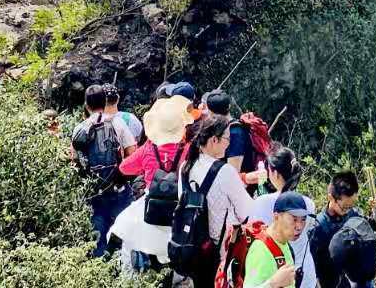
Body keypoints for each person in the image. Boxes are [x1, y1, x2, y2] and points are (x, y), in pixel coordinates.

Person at [109, 93, 191, 274]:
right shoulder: (189, 150)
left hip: (150, 206)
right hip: (181, 208)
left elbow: (124, 168)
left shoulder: (149, 148)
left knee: (122, 229)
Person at [176, 113, 255, 285]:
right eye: (227, 139)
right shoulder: (224, 171)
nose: (229, 143)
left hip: (188, 245)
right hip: (214, 253)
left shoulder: (185, 166)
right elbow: (246, 212)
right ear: (214, 140)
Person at [73, 84, 139, 259]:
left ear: (87, 105)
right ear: (105, 102)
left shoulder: (80, 129)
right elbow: (132, 153)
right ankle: (122, 268)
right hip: (119, 190)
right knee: (123, 233)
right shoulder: (118, 123)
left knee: (97, 237)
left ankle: (100, 272)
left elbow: (75, 159)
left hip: (93, 193)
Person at [247, 147, 317, 285]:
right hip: (305, 274)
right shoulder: (309, 203)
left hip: (276, 274)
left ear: (275, 174)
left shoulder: (262, 202)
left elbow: (252, 235)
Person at [307, 173, 376, 287]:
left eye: (350, 206)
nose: (347, 211)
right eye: (344, 207)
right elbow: (312, 269)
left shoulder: (354, 214)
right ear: (331, 198)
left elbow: (372, 227)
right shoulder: (318, 227)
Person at [242, 192, 313, 288]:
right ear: (276, 217)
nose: (299, 227)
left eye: (303, 219)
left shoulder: (284, 241)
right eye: (294, 219)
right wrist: (273, 284)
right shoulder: (261, 250)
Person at [203, 89, 267, 183]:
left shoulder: (235, 132)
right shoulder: (225, 128)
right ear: (229, 106)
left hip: (244, 189)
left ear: (212, 113)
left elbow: (233, 173)